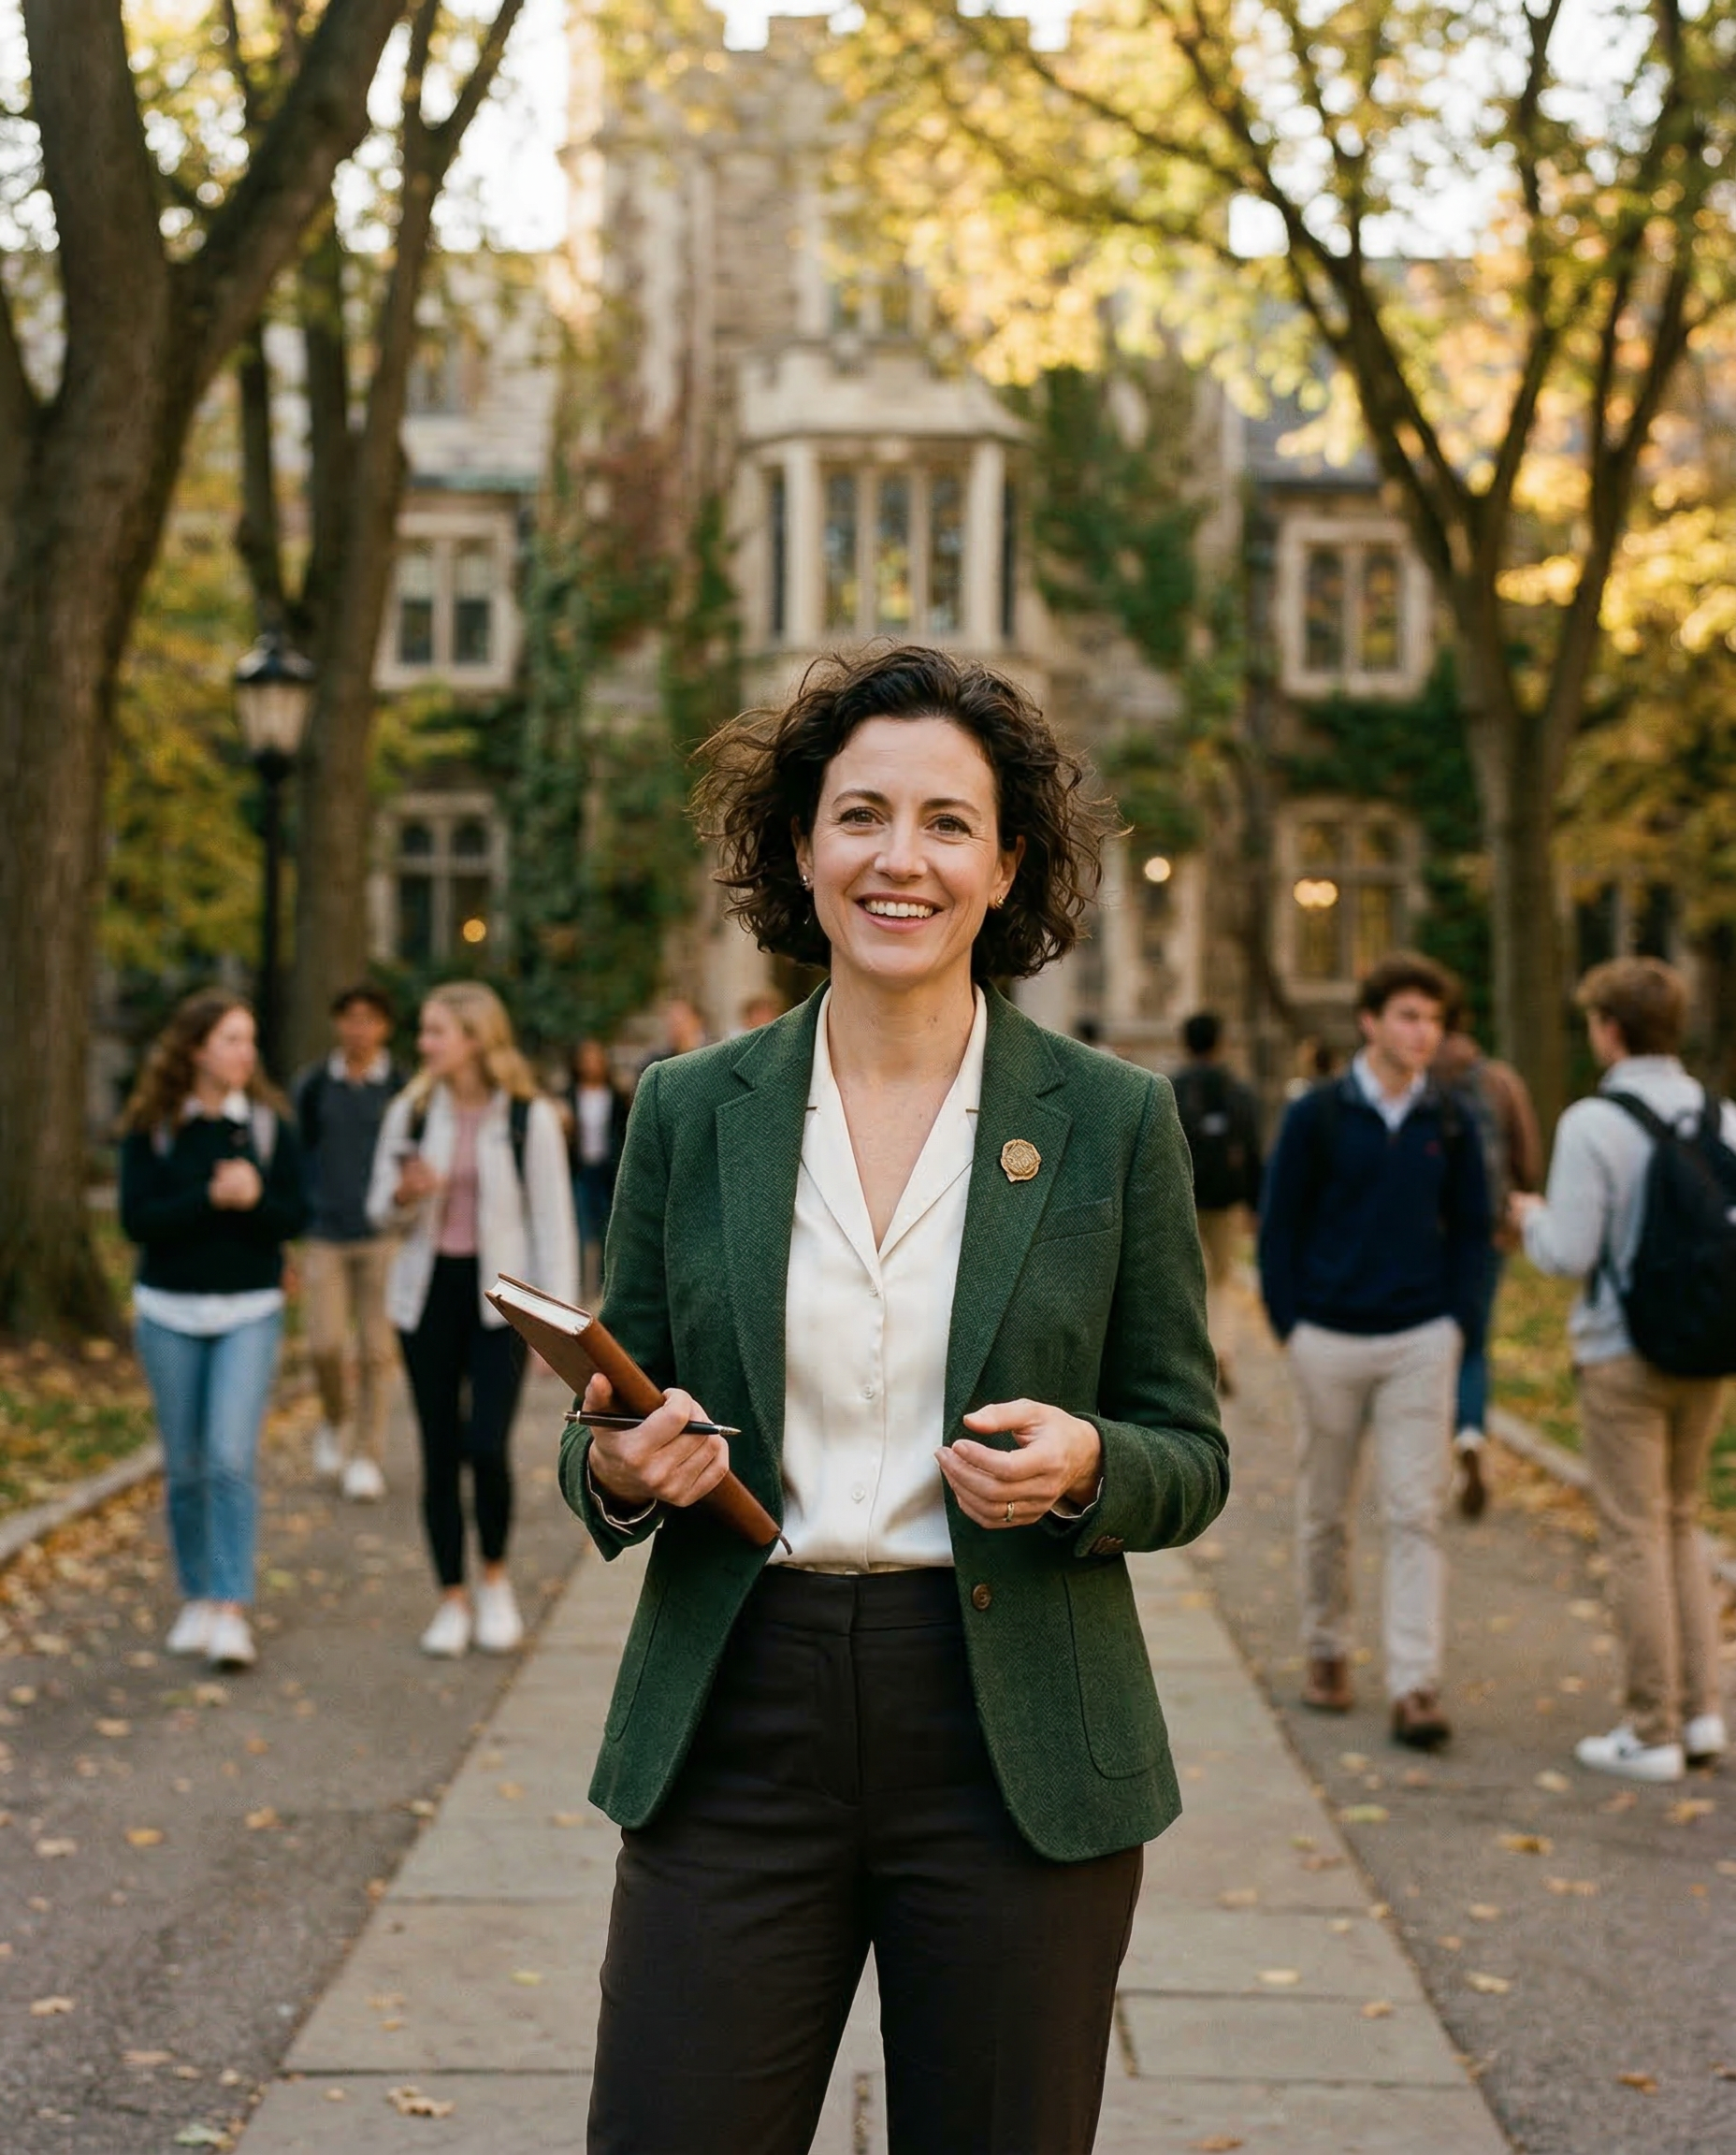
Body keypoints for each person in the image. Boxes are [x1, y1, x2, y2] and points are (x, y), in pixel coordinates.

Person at [560, 645, 1227, 2155]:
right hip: (738, 1709)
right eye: (860, 814)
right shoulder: (688, 1107)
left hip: (1013, 1739)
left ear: (1005, 864)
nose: (898, 857)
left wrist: (1084, 1462)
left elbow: (1188, 1447)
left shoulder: (1114, 1123)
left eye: (945, 821)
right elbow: (602, 1413)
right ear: (802, 849)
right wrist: (621, 1464)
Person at [1258, 951, 1489, 1750]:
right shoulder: (1318, 1114)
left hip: (1420, 1338)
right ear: (1371, 1021)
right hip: (1327, 1336)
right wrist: (1292, 1323)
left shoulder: (1450, 1118)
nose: (1425, 1032)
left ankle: (1415, 1685)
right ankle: (1326, 1651)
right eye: (1409, 1017)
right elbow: (1278, 1223)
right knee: (1325, 1510)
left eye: (1434, 1019)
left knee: (1413, 1513)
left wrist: (1458, 1322)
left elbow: (1472, 1233)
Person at [1511, 958, 1735, 1783]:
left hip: (1622, 1353)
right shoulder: (1724, 1116)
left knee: (1637, 1535)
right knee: (1681, 1524)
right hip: (1710, 1350)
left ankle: (1652, 1729)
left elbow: (1569, 1252)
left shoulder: (1593, 1124)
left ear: (1608, 1028)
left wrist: (1530, 1219)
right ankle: (1702, 1712)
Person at [368, 983, 576, 1657]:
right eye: (424, 1031)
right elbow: (380, 1209)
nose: (423, 1044)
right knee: (436, 1450)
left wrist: (559, 1329)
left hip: (501, 1304)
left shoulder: (526, 1117)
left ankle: (494, 1579)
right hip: (426, 1297)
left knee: (485, 1444)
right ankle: (450, 1598)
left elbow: (553, 1223)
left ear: (476, 1038)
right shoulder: (411, 1109)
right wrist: (406, 1194)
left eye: (436, 1032)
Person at [120, 991, 307, 1671]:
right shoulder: (156, 1125)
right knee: (185, 1464)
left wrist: (256, 1200)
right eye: (232, 1039)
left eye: (250, 1039)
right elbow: (136, 1221)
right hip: (168, 1310)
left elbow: (294, 1212)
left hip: (249, 1310)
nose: (245, 1052)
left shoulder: (265, 1124)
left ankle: (230, 1605)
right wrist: (209, 1197)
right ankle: (196, 1591)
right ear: (197, 1049)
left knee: (230, 1457)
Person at [293, 983, 404, 1501]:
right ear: (338, 1024)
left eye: (369, 1019)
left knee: (379, 1351)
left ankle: (367, 1456)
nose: (358, 1029)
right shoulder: (315, 1085)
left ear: (384, 1027)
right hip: (325, 1235)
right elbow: (297, 1156)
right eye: (350, 1018)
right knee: (325, 1344)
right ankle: (334, 1419)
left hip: (383, 1237)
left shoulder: (400, 1088)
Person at [1432, 1006, 1542, 1519]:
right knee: (1474, 1345)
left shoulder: (1417, 1080)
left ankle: (1429, 1461)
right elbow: (1526, 1157)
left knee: (1425, 1349)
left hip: (1425, 1244)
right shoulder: (1498, 1079)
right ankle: (1472, 1435)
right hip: (1485, 1237)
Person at [1171, 1010, 1263, 1396]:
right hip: (1225, 1198)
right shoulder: (1237, 1091)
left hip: (1181, 1195)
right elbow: (1253, 1149)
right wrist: (1255, 1203)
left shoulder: (1170, 1088)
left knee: (1183, 1279)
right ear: (1221, 1043)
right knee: (1223, 1281)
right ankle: (1222, 1348)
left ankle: (1187, 1360)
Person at [568, 1037, 629, 1302]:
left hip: (606, 1171)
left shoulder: (614, 1096)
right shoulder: (570, 1095)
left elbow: (622, 1132)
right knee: (582, 1230)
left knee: (608, 1230)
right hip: (582, 1170)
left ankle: (607, 1289)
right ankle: (582, 1289)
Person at [638, 993, 708, 1072]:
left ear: (696, 1020)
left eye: (680, 1020)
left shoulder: (710, 1058)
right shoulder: (658, 1063)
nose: (675, 1027)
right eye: (672, 1021)